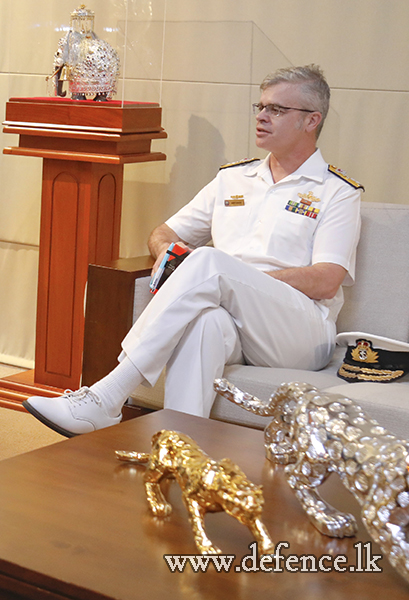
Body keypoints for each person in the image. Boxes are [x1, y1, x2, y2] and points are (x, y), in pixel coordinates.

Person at [24, 64, 363, 437]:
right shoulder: (233, 178)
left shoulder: (337, 191)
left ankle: (108, 394)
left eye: (277, 110)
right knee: (205, 322)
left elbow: (327, 280)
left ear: (311, 120)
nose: (262, 116)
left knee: (209, 263)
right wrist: (171, 256)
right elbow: (164, 232)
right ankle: (179, 452)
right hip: (233, 320)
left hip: (300, 332)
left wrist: (239, 282)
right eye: (261, 106)